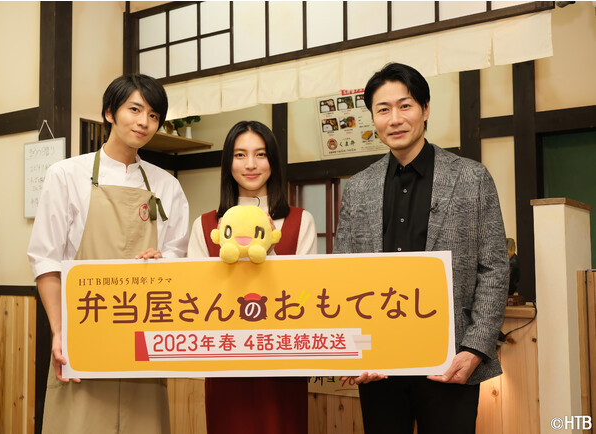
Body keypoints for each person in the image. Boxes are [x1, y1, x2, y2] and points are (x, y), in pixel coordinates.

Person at [334, 63, 509, 433]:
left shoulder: (471, 177)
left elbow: (494, 268)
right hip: (378, 362)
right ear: (373, 118)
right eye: (383, 109)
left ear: (425, 109)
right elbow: (342, 272)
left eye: (405, 106)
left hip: (451, 361)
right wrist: (350, 349)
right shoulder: (358, 187)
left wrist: (475, 349)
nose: (395, 119)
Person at [27, 74, 189, 434]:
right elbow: (46, 259)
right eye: (135, 109)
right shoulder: (66, 175)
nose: (144, 122)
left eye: (154, 115)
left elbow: (178, 259)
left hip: (145, 338)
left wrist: (162, 263)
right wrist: (59, 331)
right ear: (110, 113)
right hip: (84, 333)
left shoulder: (167, 186)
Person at [187, 120, 317, 434]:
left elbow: (306, 296)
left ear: (273, 161)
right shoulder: (205, 225)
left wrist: (268, 249)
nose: (250, 164)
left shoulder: (301, 221)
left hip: (284, 361)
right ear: (227, 163)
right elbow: (195, 298)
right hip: (225, 360)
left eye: (260, 154)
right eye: (240, 155)